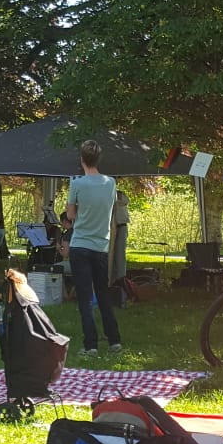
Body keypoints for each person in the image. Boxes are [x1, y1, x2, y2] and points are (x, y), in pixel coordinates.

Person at [64, 139, 123, 356]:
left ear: (82, 160)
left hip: (80, 244)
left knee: (85, 297)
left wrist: (78, 213)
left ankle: (91, 345)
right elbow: (109, 208)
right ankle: (114, 340)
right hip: (101, 245)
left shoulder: (77, 184)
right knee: (103, 294)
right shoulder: (110, 183)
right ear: (99, 159)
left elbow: (70, 215)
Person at [110, 189, 130, 287]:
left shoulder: (120, 194)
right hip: (109, 228)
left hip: (121, 226)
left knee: (120, 254)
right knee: (110, 255)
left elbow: (124, 201)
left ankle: (121, 280)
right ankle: (112, 279)